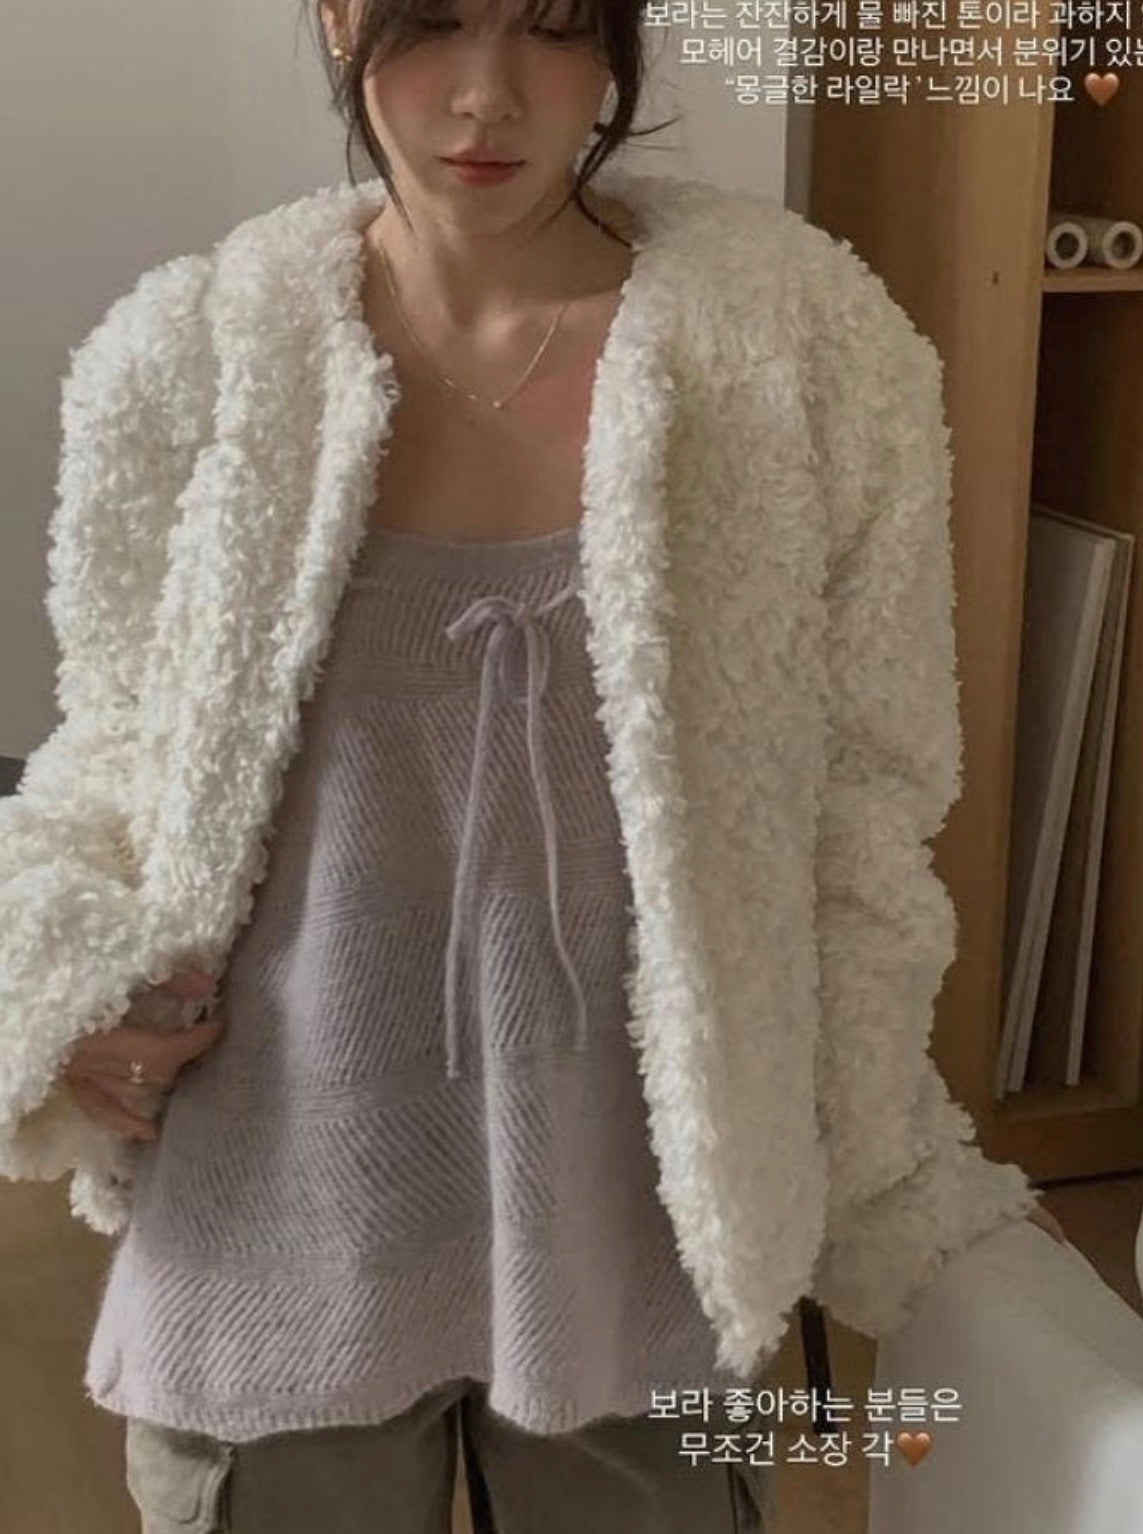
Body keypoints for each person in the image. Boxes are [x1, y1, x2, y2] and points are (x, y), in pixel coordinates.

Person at [3, 0, 1066, 1527]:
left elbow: (868, 800)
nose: (487, 97)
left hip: (642, 1213)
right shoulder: (187, 358)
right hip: (275, 1201)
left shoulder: (807, 358)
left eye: (555, 28)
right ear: (337, 18)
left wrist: (870, 1154)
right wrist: (56, 989)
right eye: (430, 22)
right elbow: (109, 742)